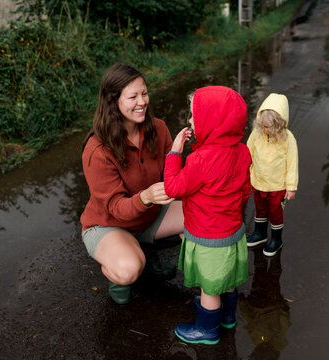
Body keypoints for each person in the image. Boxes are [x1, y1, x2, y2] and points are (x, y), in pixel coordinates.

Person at [80, 63, 184, 305]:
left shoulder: (158, 128)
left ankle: (147, 252)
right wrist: (146, 196)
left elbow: (174, 174)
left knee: (204, 216)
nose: (142, 102)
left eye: (144, 93)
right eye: (133, 96)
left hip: (149, 216)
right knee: (128, 269)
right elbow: (116, 207)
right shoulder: (97, 149)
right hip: (108, 224)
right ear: (113, 101)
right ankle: (121, 276)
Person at [164, 86, 252, 344]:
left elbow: (173, 188)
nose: (190, 121)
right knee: (228, 279)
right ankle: (227, 317)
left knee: (210, 288)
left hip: (208, 236)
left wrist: (174, 153)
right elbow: (245, 191)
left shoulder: (199, 160)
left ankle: (207, 330)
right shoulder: (242, 151)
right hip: (232, 232)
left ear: (212, 122)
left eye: (193, 116)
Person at [246, 93, 298, 256]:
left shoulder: (288, 139)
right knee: (260, 210)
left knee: (275, 213)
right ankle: (260, 233)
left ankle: (276, 239)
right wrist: (245, 174)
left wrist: (291, 187)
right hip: (258, 182)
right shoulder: (257, 134)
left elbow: (292, 164)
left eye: (268, 127)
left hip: (277, 186)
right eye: (262, 125)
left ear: (279, 125)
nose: (264, 129)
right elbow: (248, 153)